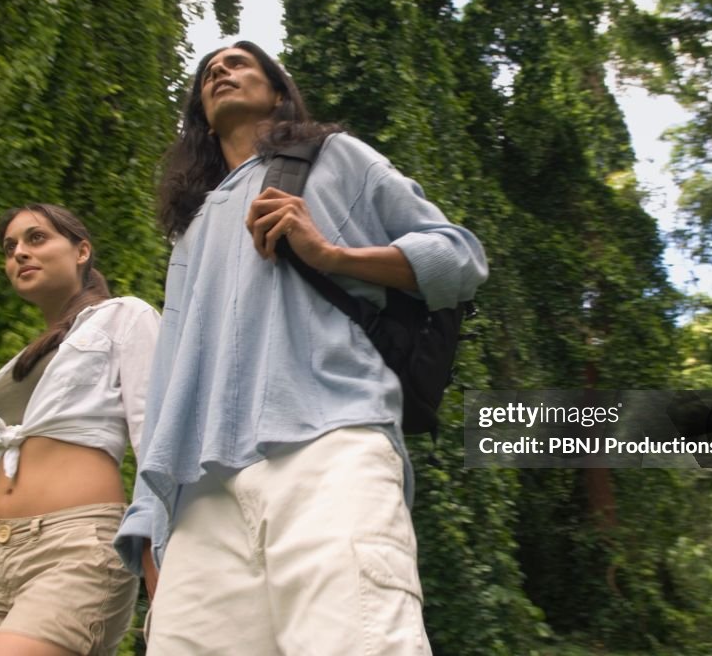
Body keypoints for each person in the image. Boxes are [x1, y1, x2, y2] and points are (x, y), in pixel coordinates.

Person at [114, 40, 488, 655]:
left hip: (327, 444)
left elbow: (460, 258)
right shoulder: (192, 230)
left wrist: (333, 254)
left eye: (239, 63)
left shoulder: (335, 158)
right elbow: (173, 368)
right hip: (201, 492)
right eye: (209, 71)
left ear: (279, 92)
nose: (220, 71)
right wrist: (149, 517)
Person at [0, 204, 160, 656]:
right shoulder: (17, 369)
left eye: (36, 239)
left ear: (81, 251)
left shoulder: (124, 318)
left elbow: (155, 439)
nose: (19, 253)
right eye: (10, 247)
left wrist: (160, 574)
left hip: (74, 547)